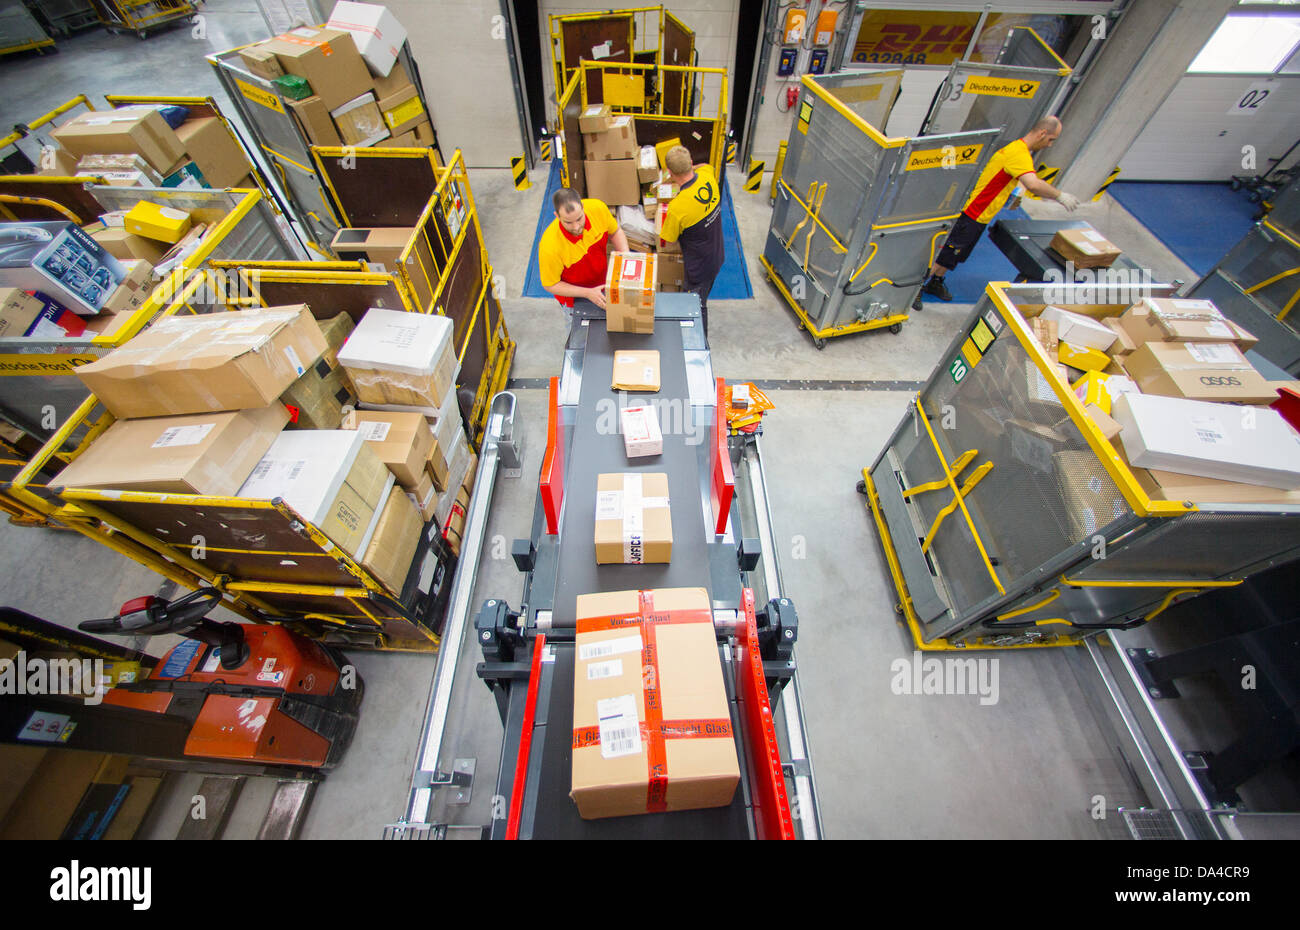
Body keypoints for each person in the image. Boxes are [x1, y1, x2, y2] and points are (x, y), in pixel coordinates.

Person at [917, 115, 1081, 306]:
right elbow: (1033, 184)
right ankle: (916, 289)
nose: (1050, 145)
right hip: (973, 212)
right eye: (1051, 140)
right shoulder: (1019, 153)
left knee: (957, 254)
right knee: (947, 252)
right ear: (1043, 133)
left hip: (982, 214)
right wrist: (1059, 196)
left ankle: (935, 282)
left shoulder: (1018, 151)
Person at [658, 145, 724, 336]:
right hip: (717, 254)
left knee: (696, 305)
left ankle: (699, 342)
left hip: (700, 268)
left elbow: (667, 240)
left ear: (669, 173)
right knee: (702, 297)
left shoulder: (678, 207)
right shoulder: (708, 176)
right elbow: (707, 165)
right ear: (691, 164)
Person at [538, 187, 628, 316]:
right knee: (580, 334)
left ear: (583, 207)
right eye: (568, 222)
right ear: (557, 216)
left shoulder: (598, 209)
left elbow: (615, 231)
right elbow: (550, 285)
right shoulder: (550, 245)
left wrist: (625, 257)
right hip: (575, 299)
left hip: (602, 284)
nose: (576, 227)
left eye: (579, 219)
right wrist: (587, 293)